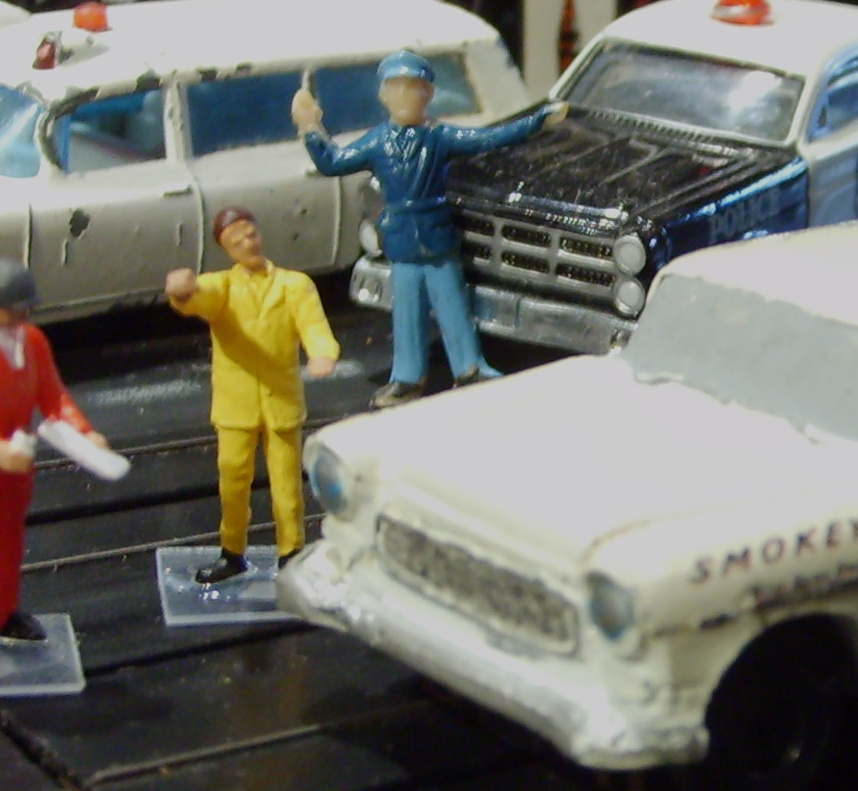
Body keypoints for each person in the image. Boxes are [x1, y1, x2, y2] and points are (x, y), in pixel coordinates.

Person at [292, 52, 566, 406]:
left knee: (453, 303)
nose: (405, 96)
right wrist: (311, 128)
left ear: (429, 94)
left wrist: (537, 122)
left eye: (414, 88)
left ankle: (469, 367)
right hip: (401, 240)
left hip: (437, 236)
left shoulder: (441, 136)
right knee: (407, 310)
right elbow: (333, 162)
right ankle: (407, 377)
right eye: (397, 88)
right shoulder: (377, 141)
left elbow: (490, 137)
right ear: (383, 95)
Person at [0, 259, 109, 671]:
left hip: (17, 466)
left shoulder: (32, 342)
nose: (24, 316)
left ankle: (3, 614)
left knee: (9, 545)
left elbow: (53, 396)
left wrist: (83, 432)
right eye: (16, 309)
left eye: (26, 309)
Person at [165, 206, 341, 584]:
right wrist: (183, 291)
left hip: (282, 400)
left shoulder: (295, 284)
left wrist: (322, 352)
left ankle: (291, 552)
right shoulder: (221, 287)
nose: (248, 243)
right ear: (227, 249)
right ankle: (232, 553)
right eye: (237, 241)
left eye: (251, 234)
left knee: (287, 486)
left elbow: (313, 325)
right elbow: (197, 298)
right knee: (232, 481)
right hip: (236, 405)